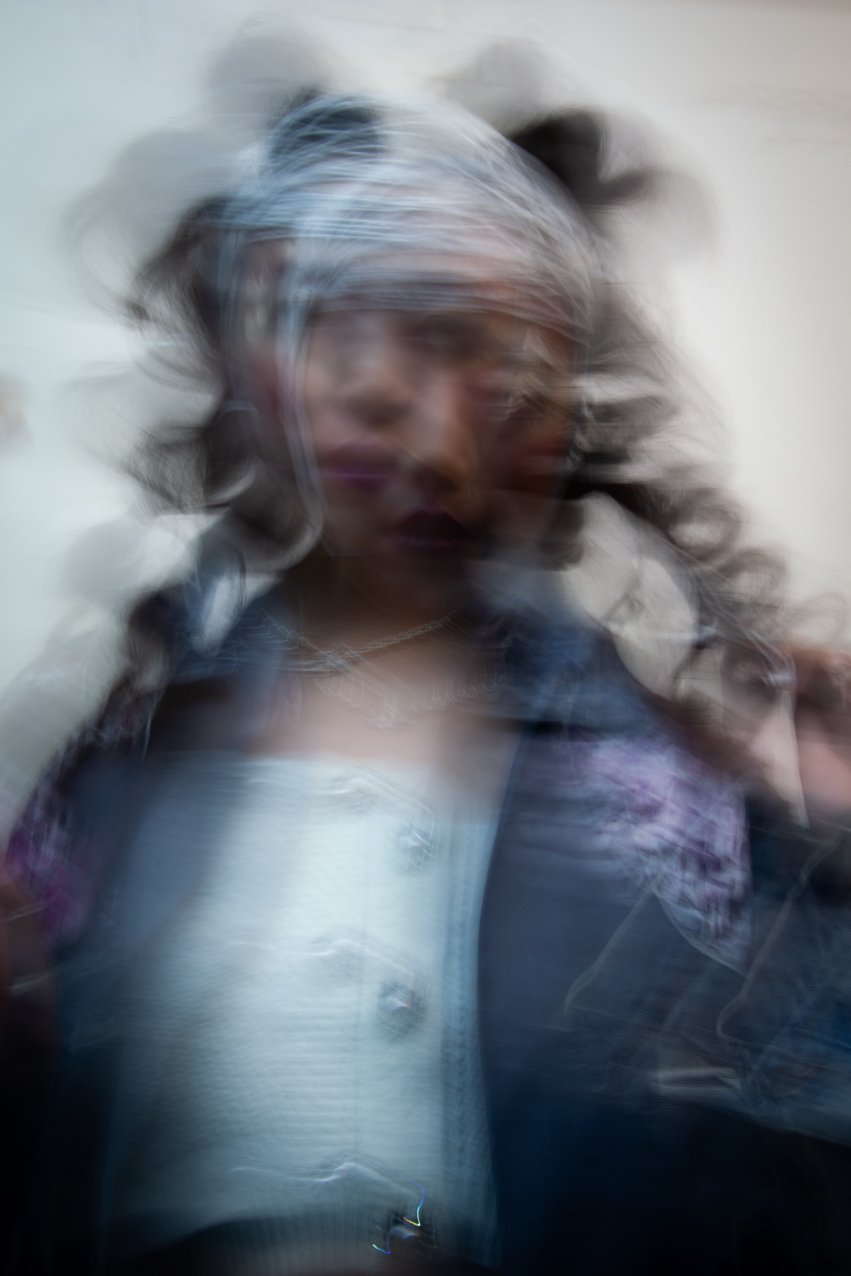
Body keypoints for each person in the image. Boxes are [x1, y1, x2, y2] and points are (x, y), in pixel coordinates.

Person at [4, 90, 851, 1275]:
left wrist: (828, 862)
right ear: (251, 373)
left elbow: (791, 1153)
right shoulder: (112, 784)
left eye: (497, 363)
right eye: (355, 334)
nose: (431, 430)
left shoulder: (680, 801)